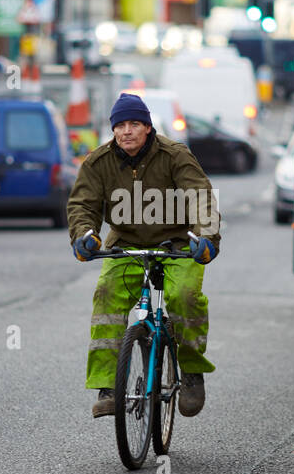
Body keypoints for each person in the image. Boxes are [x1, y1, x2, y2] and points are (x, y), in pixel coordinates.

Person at [68, 92, 221, 419]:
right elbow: (82, 206)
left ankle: (192, 371)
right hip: (127, 244)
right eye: (120, 125)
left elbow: (201, 197)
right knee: (106, 293)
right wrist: (85, 235)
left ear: (148, 127)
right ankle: (108, 386)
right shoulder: (99, 162)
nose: (127, 131)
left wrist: (206, 236)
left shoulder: (174, 155)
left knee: (184, 297)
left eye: (134, 124)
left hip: (180, 245)